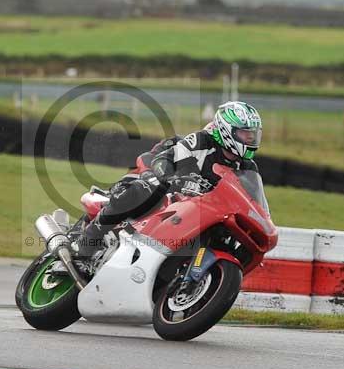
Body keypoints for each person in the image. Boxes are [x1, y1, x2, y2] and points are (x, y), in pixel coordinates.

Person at [73, 101, 263, 259]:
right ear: (226, 129)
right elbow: (163, 158)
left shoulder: (248, 168)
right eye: (245, 133)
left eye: (253, 133)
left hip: (197, 212)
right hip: (164, 192)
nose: (250, 138)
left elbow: (254, 201)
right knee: (145, 190)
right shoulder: (200, 141)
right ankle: (88, 241)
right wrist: (170, 177)